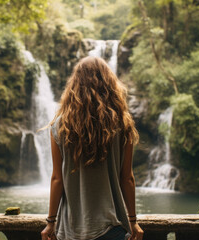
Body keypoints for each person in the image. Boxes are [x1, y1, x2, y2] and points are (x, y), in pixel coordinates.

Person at [41, 56, 144, 240]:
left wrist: (51, 222)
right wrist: (133, 221)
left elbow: (57, 178)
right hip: (112, 227)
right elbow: (127, 178)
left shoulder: (60, 126)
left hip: (71, 229)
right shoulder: (122, 124)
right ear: (109, 84)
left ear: (74, 86)